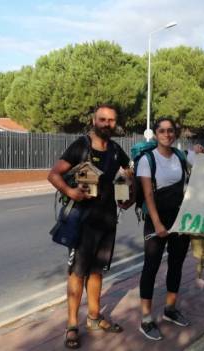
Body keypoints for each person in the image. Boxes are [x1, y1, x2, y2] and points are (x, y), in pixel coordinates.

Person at [47, 104, 133, 349]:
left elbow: (127, 174)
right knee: (77, 272)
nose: (107, 124)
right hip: (82, 222)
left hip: (107, 221)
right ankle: (72, 325)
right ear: (94, 120)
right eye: (102, 119)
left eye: (111, 120)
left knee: (97, 272)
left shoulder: (116, 150)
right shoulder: (80, 146)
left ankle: (94, 317)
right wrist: (71, 192)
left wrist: (127, 193)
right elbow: (54, 174)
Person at [136, 118, 204, 340]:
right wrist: (157, 223)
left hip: (179, 219)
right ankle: (146, 319)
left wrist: (199, 153)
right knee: (151, 266)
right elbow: (148, 194)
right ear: (156, 134)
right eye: (162, 131)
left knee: (176, 264)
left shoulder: (180, 156)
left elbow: (198, 170)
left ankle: (170, 309)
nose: (167, 134)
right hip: (157, 219)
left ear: (175, 133)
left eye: (171, 131)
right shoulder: (148, 160)